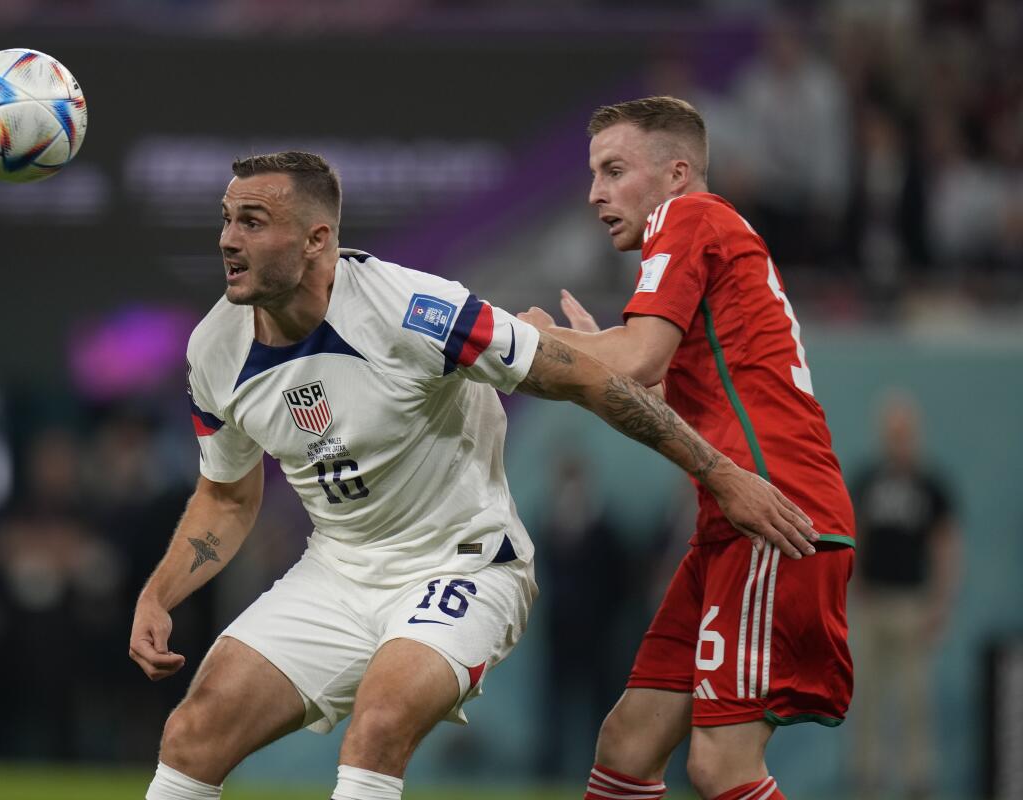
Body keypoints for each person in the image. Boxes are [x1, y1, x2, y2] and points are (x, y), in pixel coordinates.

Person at [128, 150, 818, 800]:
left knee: (378, 725)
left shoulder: (415, 311)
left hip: (463, 564)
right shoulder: (214, 349)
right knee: (193, 732)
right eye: (226, 218)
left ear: (316, 240)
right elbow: (226, 493)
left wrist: (721, 474)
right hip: (336, 571)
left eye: (252, 221)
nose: (227, 239)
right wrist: (161, 593)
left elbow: (586, 377)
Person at [520, 96, 856, 800]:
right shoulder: (710, 237)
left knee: (720, 765)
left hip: (773, 514)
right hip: (730, 521)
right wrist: (587, 355)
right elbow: (653, 396)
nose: (595, 194)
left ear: (676, 174)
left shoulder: (689, 216)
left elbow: (636, 359)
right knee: (628, 744)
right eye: (592, 174)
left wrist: (520, 340)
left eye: (614, 171)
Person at [850, 393, 959, 800]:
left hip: (912, 601)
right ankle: (868, 777)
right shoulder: (868, 480)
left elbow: (946, 545)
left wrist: (941, 600)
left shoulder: (930, 485)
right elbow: (854, 532)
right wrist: (855, 582)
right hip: (873, 601)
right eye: (892, 432)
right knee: (867, 694)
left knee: (914, 698)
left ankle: (917, 779)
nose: (898, 440)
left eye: (904, 433)